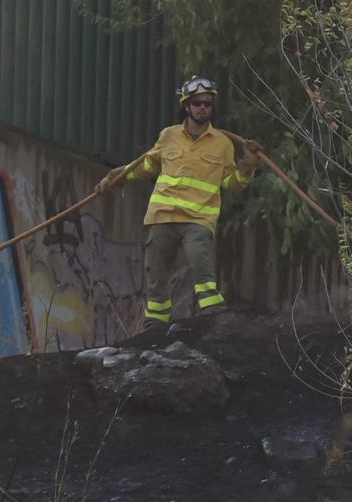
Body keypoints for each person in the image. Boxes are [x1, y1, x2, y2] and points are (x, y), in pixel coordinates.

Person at [95, 75, 262, 328]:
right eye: (197, 103)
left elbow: (234, 184)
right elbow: (146, 166)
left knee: (200, 265)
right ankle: (154, 328)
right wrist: (114, 179)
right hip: (162, 216)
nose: (203, 108)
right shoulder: (169, 136)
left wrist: (249, 162)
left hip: (198, 220)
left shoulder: (223, 144)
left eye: (207, 103)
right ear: (186, 105)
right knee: (156, 275)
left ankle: (214, 319)